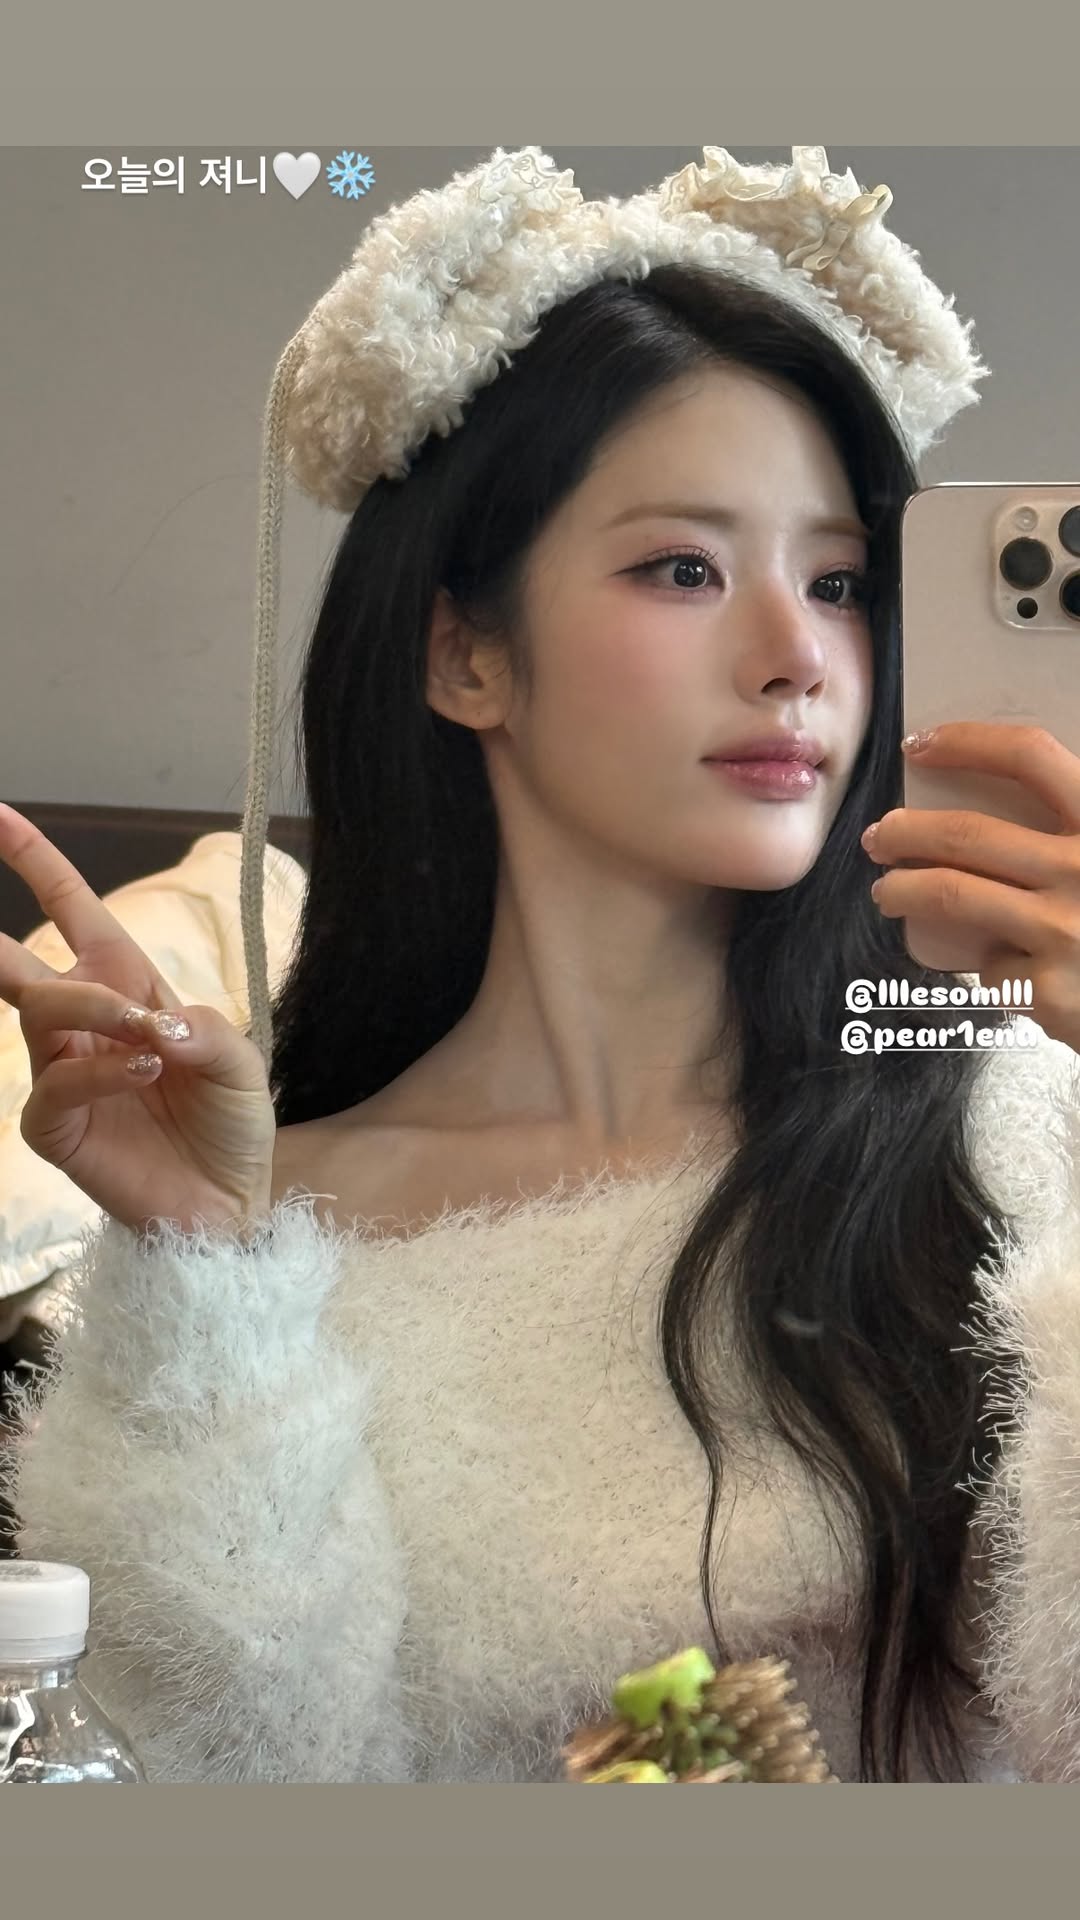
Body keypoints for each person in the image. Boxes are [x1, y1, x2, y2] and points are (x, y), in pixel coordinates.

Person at [1, 144, 1079, 1785]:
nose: (798, 655)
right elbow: (234, 1787)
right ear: (465, 654)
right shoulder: (277, 1241)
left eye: (842, 582)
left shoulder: (1012, 1115)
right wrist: (202, 1274)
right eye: (684, 568)